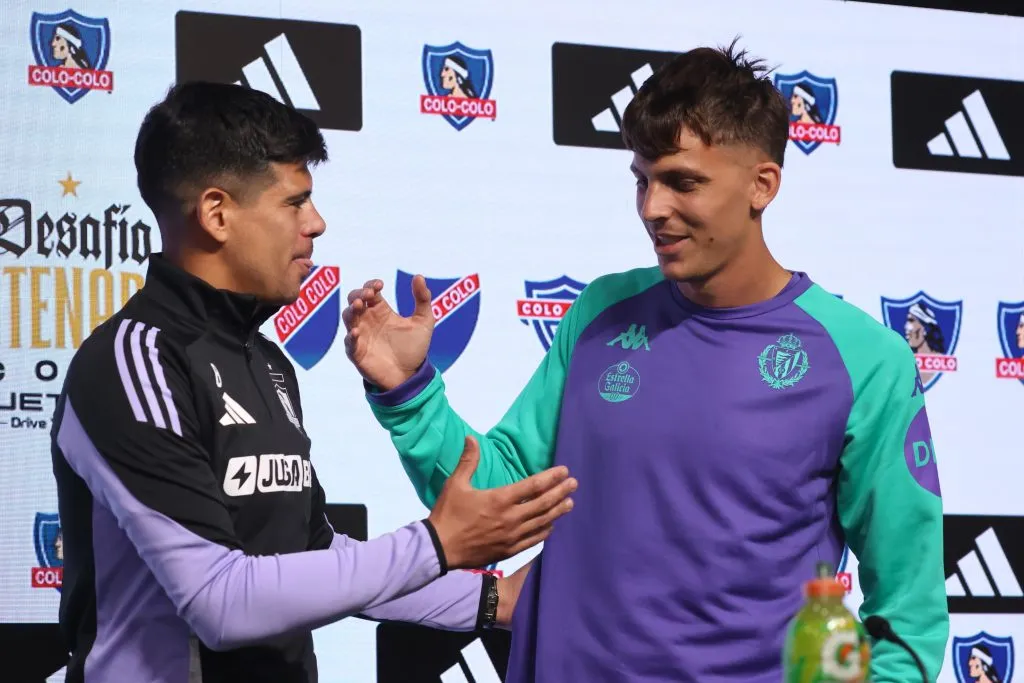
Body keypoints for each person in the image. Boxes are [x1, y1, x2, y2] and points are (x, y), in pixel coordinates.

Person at [342, 41, 949, 682]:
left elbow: (907, 615)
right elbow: (497, 497)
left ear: (762, 185)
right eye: (642, 178)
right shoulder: (602, 312)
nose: (652, 208)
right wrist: (409, 391)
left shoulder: (864, 359)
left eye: (683, 181)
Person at [49, 81, 576, 683]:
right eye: (295, 203)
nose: (317, 223)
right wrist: (436, 543)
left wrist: (496, 600)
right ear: (217, 213)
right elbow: (219, 601)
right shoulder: (132, 361)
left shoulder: (266, 363)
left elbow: (321, 559)